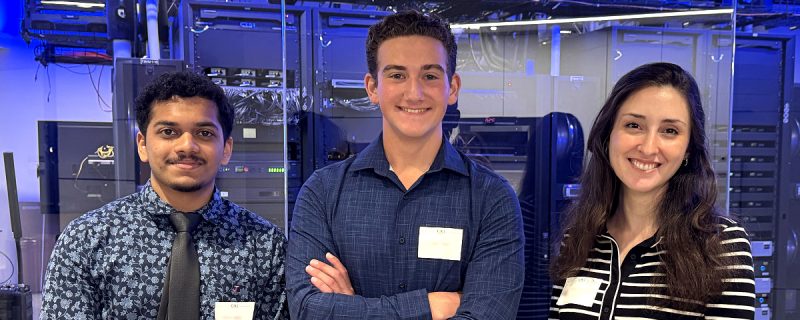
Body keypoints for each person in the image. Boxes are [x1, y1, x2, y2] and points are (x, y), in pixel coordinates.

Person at [286, 10, 525, 320]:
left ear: (451, 87)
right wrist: (430, 306)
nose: (415, 93)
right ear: (372, 87)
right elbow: (307, 310)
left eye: (429, 75)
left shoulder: (492, 199)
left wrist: (351, 308)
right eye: (397, 75)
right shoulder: (323, 192)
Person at [41, 71, 288, 319]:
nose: (186, 146)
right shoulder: (86, 240)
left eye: (204, 133)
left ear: (226, 149)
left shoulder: (265, 246)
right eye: (169, 132)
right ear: (143, 145)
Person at [549, 63, 755, 319]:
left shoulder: (720, 243)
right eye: (634, 125)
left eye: (670, 131)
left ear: (688, 149)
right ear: (608, 134)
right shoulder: (579, 236)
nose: (648, 147)